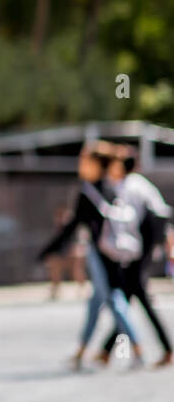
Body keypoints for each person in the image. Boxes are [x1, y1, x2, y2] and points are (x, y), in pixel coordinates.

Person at [37, 143, 144, 369]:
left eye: (84, 161)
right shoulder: (112, 188)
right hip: (116, 252)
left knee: (114, 300)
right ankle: (80, 352)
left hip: (99, 253)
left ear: (95, 164)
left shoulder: (89, 192)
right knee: (96, 303)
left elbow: (72, 227)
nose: (80, 165)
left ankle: (137, 348)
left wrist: (48, 251)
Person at [97, 146, 172, 367]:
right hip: (144, 247)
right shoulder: (143, 185)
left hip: (137, 249)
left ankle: (166, 348)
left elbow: (127, 222)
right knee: (129, 294)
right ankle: (106, 349)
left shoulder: (126, 187)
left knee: (134, 295)